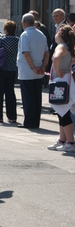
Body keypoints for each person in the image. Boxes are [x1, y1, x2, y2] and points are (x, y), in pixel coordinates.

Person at [17, 13, 49, 129]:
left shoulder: (25, 35)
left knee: (28, 98)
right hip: (39, 70)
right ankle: (36, 121)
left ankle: (29, 122)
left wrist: (32, 67)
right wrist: (43, 66)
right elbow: (46, 53)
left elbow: (26, 54)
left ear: (24, 22)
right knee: (37, 97)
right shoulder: (41, 34)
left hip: (27, 71)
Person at [47, 24, 75, 152]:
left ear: (60, 35)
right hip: (65, 81)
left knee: (64, 113)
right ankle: (63, 140)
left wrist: (57, 71)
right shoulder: (67, 47)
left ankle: (70, 141)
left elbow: (57, 57)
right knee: (62, 112)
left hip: (61, 82)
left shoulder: (61, 46)